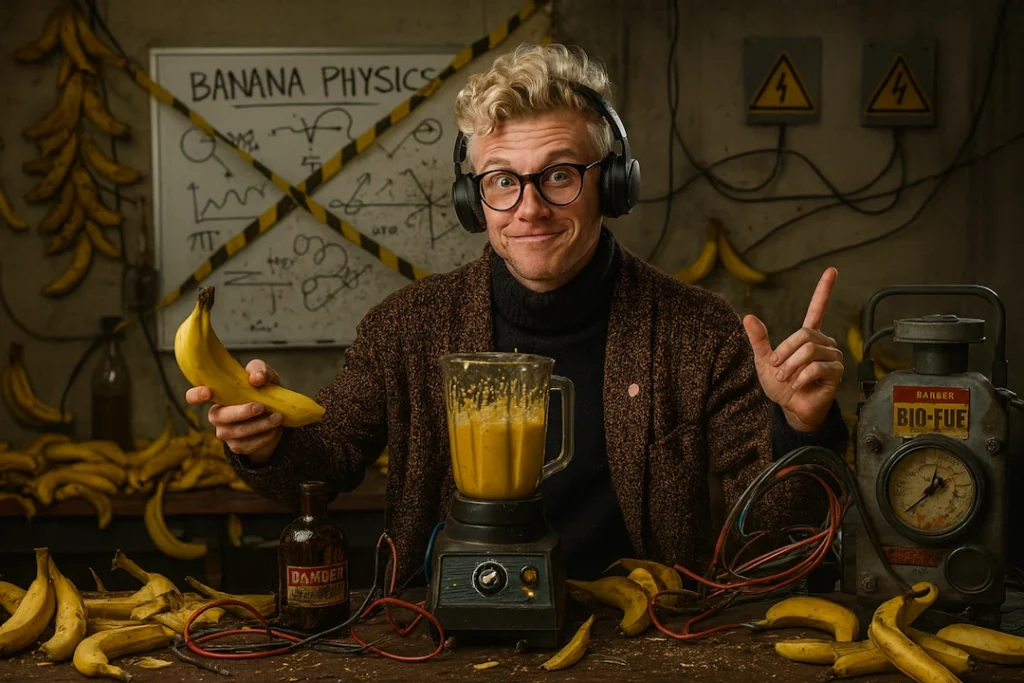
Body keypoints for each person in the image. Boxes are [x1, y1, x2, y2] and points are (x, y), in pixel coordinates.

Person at [186, 43, 848, 583]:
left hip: (647, 644)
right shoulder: (407, 327)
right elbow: (325, 462)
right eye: (502, 180)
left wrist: (800, 427)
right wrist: (268, 443)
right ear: (473, 198)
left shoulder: (699, 334)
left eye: (558, 175)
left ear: (611, 184)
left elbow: (771, 540)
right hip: (441, 640)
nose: (529, 208)